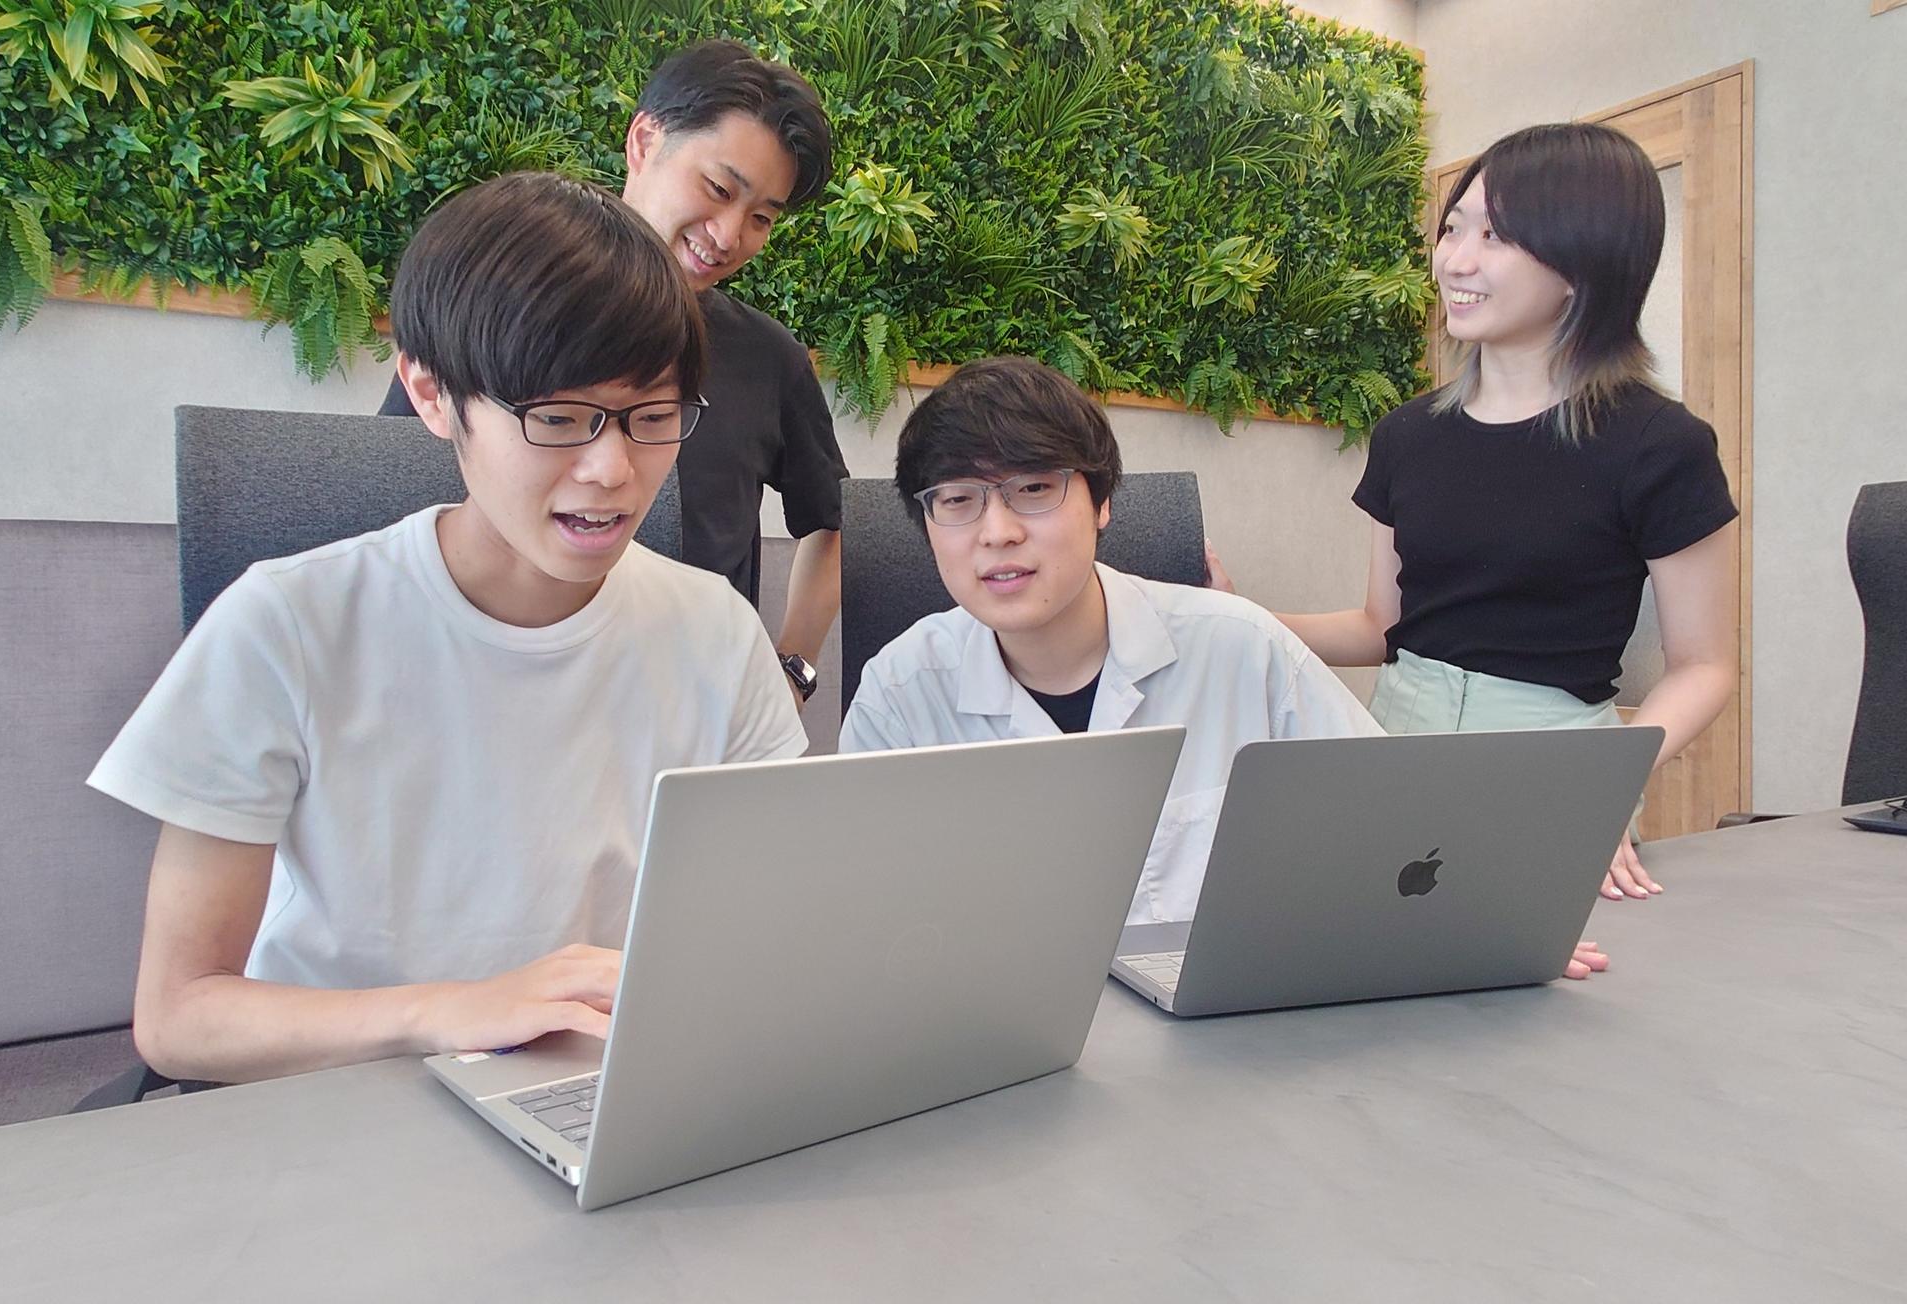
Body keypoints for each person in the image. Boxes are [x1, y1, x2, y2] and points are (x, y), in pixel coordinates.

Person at [89, 173, 807, 1084]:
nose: (611, 469)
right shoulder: (287, 626)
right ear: (431, 395)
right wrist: (455, 1012)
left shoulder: (716, 634)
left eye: (654, 418)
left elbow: (765, 931)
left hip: (594, 1095)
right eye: (558, 418)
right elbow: (180, 1015)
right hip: (338, 1100)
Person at [1259, 122, 1739, 916]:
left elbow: (1704, 666)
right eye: (1453, 229)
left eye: (1495, 236)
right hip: (1393, 748)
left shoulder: (1660, 444)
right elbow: (1383, 628)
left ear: (1583, 261)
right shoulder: (1408, 434)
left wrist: (1602, 781)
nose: (1455, 260)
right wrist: (1241, 617)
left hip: (1555, 770)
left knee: (1534, 975)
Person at [837, 356, 1383, 926]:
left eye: (1034, 488)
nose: (998, 533)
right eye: (957, 499)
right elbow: (866, 912)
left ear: (1102, 504)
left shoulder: (1243, 650)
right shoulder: (899, 696)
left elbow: (1388, 827)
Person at [380, 39, 845, 709]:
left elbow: (831, 520)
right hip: (479, 691)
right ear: (644, 140)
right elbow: (389, 495)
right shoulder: (504, 301)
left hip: (687, 707)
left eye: (762, 218)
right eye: (719, 189)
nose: (728, 234)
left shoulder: (767, 357)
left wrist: (791, 669)